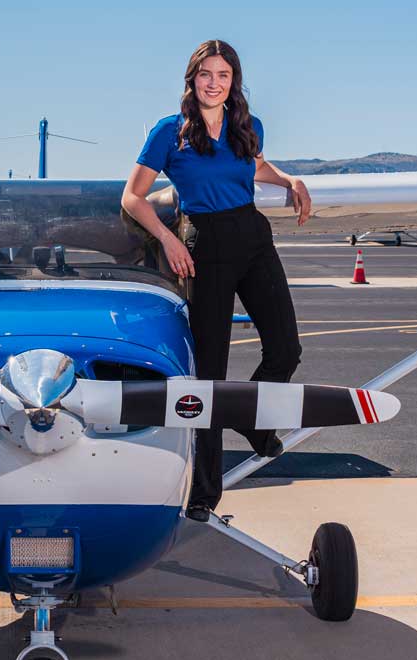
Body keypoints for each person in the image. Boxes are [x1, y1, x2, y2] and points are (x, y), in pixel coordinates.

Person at [121, 39, 312, 522]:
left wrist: (289, 180)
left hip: (253, 238)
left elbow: (254, 165)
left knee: (286, 349)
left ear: (234, 81)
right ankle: (205, 491)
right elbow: (133, 197)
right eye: (206, 74)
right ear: (192, 79)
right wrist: (169, 239)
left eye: (223, 74)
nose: (215, 82)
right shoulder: (171, 132)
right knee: (209, 373)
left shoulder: (247, 124)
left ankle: (247, 418)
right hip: (205, 248)